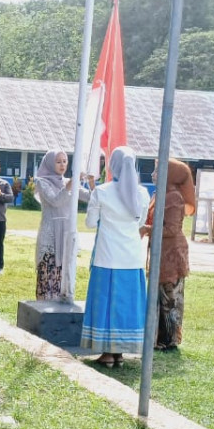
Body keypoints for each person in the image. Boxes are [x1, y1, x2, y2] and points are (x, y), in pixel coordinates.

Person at [80, 146, 150, 367]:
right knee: (127, 304)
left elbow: (90, 223)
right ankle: (120, 352)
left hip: (107, 257)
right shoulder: (142, 193)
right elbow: (139, 222)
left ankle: (107, 353)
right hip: (131, 258)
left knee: (106, 303)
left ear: (113, 165)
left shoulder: (102, 191)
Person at [139, 159, 195, 351]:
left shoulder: (173, 197)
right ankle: (158, 337)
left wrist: (148, 229)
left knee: (169, 296)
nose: (153, 174)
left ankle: (168, 339)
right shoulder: (161, 194)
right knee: (159, 294)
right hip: (161, 250)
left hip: (171, 252)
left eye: (157, 170)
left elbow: (171, 228)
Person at [33, 151, 95, 302]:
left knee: (65, 273)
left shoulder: (68, 182)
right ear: (50, 163)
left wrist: (92, 184)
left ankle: (62, 305)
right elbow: (55, 201)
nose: (62, 165)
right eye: (58, 161)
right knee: (48, 272)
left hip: (67, 233)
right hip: (50, 234)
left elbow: (91, 198)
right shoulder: (42, 182)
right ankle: (44, 308)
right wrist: (69, 185)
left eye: (65, 161)